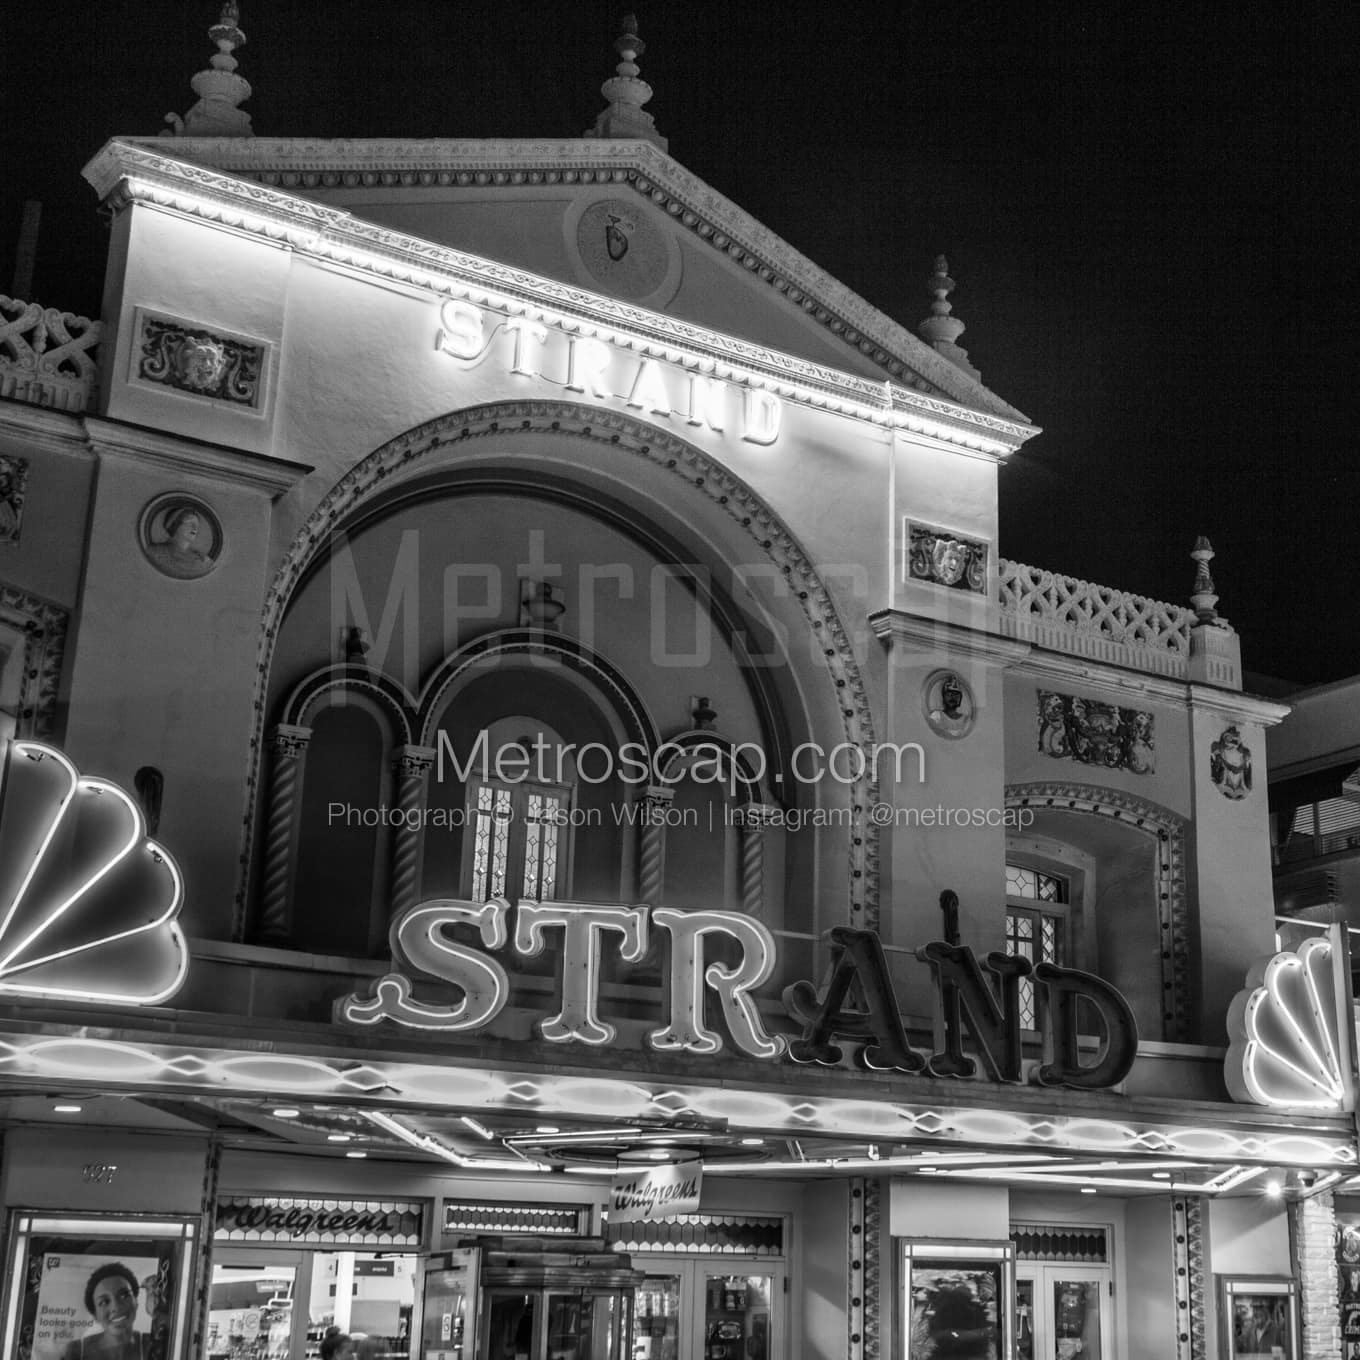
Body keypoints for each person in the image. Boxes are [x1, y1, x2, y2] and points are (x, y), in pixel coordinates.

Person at [62, 1264, 149, 1360]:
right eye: (104, 1302)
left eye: (124, 1295)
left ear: (136, 1301)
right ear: (95, 1315)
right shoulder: (76, 1351)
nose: (116, 1307)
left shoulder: (152, 1343)